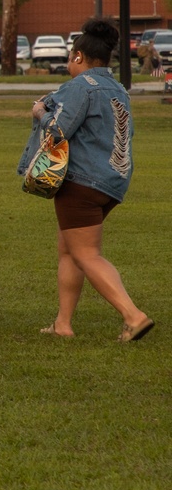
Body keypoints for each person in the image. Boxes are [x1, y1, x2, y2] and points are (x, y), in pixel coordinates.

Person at [19, 19, 153, 342]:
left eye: (70, 56)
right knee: (69, 249)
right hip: (112, 182)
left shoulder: (80, 86)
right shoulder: (119, 89)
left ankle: (133, 316)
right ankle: (63, 324)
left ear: (78, 56)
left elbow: (57, 129)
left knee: (86, 254)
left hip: (81, 183)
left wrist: (39, 111)